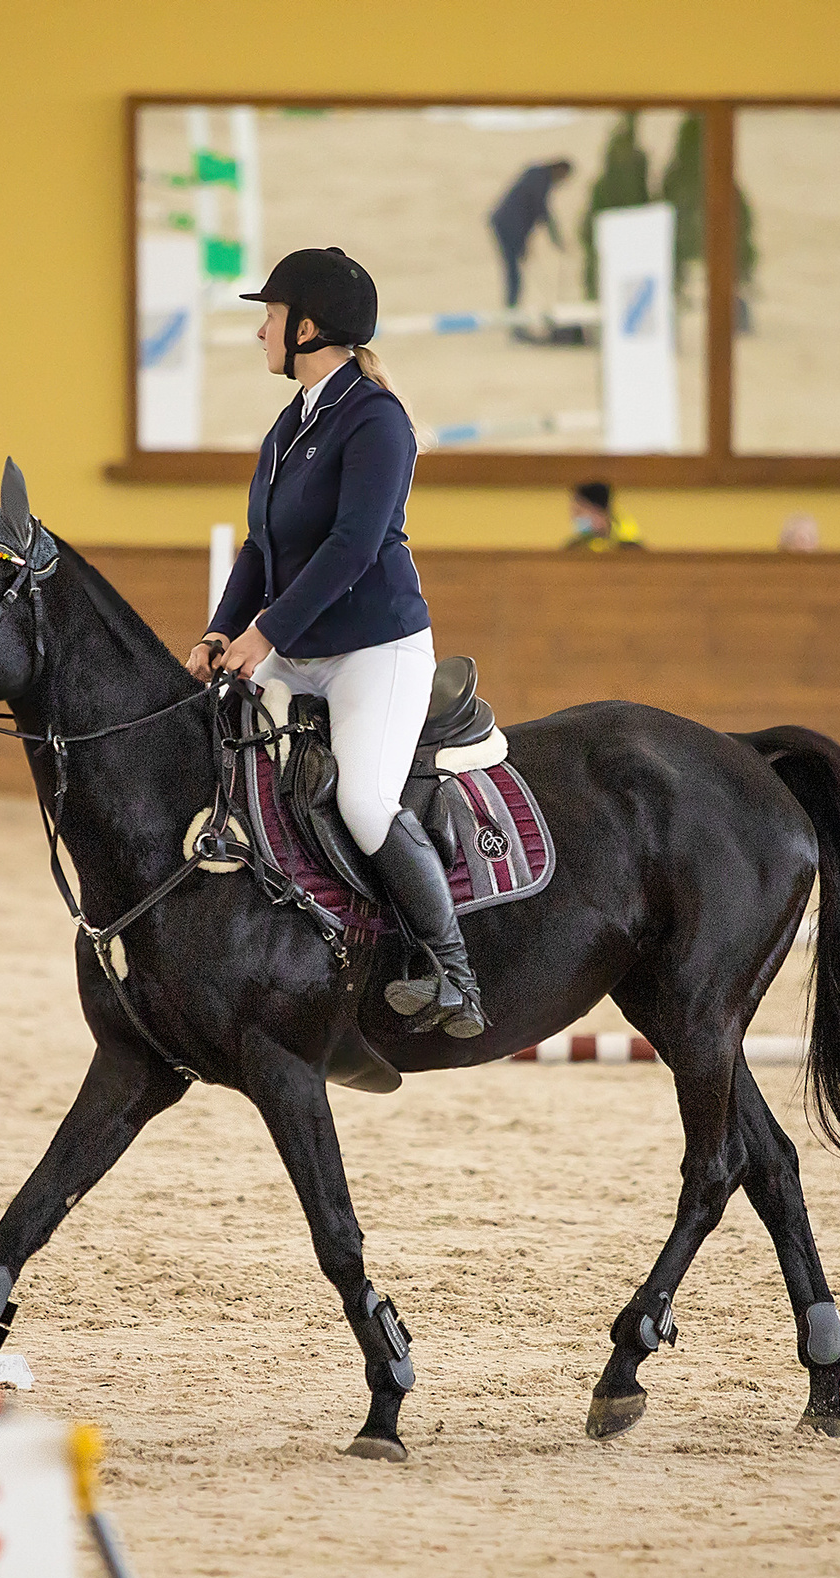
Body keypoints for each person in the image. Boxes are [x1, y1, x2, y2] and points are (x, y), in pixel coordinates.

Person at [184, 246, 486, 1039]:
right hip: (298, 646)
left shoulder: (376, 421)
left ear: (307, 328)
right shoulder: (291, 426)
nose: (260, 333)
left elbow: (353, 547)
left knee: (361, 798)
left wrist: (263, 635)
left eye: (270, 319)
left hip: (372, 650)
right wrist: (221, 630)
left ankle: (452, 970)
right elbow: (259, 549)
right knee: (216, 745)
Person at [489, 159, 573, 313]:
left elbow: (530, 210)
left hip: (507, 225)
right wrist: (555, 238)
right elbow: (540, 210)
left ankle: (514, 317)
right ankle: (513, 319)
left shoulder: (536, 175)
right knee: (514, 275)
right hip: (507, 225)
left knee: (515, 273)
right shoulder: (540, 177)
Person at [564, 481, 643, 551]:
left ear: (599, 512)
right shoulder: (575, 549)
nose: (574, 518)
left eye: (579, 512)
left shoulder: (630, 548)